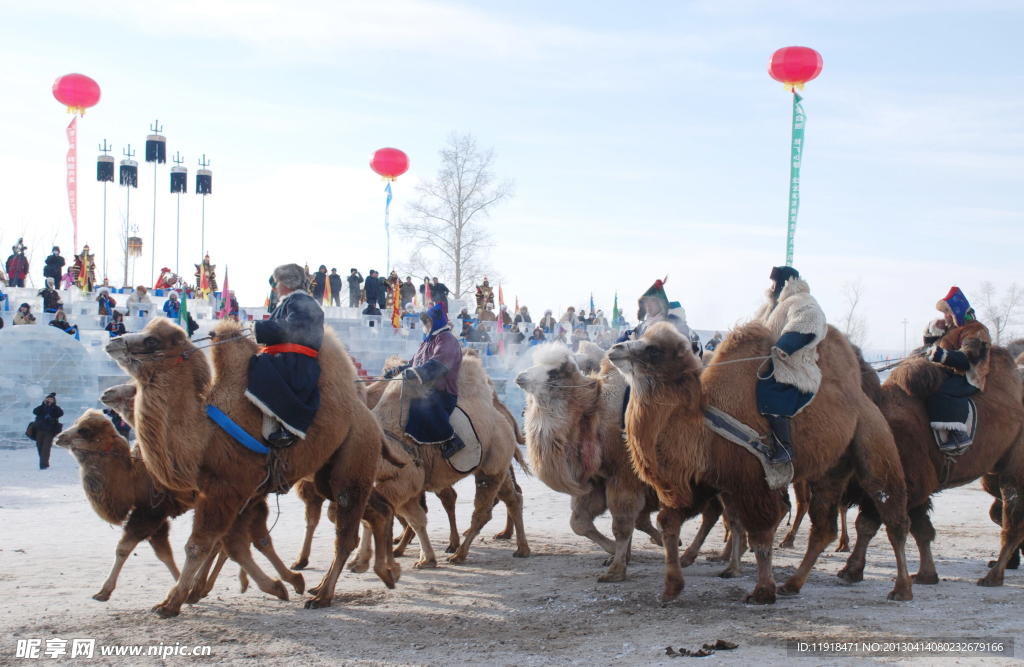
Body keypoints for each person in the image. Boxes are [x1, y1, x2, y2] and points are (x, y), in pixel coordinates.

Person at [752, 266, 827, 464]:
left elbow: (808, 320)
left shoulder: (802, 301)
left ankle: (784, 448)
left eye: (775, 282)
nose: (772, 286)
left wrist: (787, 344)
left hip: (793, 367)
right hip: (767, 366)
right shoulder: (770, 307)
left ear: (786, 282)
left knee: (772, 394)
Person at [247, 263, 324, 446]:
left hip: (296, 362)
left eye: (277, 282)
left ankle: (285, 426)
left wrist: (260, 328)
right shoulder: (291, 302)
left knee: (262, 367)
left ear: (288, 282)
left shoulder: (301, 302)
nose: (275, 287)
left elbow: (293, 329)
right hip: (286, 357)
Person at [384, 303, 465, 459]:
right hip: (425, 385)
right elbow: (415, 363)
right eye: (425, 322)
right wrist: (399, 370)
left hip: (441, 390)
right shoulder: (428, 340)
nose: (426, 324)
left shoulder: (447, 339)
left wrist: (413, 373)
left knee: (423, 404)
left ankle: (452, 439)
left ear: (437, 321)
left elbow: (438, 365)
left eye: (429, 321)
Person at [925, 287, 991, 452]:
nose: (944, 317)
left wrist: (940, 354)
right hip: (950, 371)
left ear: (956, 312)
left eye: (947, 313)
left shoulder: (976, 330)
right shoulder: (953, 330)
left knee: (940, 391)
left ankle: (959, 435)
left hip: (969, 376)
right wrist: (933, 333)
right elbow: (931, 348)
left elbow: (968, 359)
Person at [32, 393, 64, 469]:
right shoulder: (42, 408)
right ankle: (43, 460)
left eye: (51, 400)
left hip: (50, 430)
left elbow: (60, 413)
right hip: (39, 430)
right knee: (40, 446)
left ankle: (44, 464)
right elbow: (35, 412)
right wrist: (43, 405)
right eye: (47, 399)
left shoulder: (55, 409)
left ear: (54, 401)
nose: (49, 401)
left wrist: (52, 406)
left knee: (46, 447)